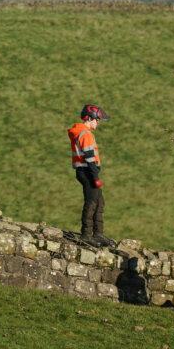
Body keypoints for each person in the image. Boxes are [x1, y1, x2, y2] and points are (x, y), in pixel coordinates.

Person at [67, 104, 113, 247]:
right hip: (87, 171)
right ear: (90, 118)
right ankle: (86, 235)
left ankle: (98, 233)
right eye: (97, 119)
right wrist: (95, 177)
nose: (98, 122)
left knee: (99, 201)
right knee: (92, 202)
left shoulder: (81, 132)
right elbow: (90, 158)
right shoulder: (85, 134)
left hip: (85, 171)